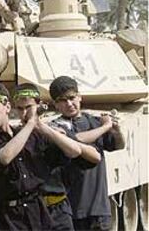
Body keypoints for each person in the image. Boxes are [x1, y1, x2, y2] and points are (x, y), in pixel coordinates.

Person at [0, 82, 84, 230]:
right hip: (8, 218)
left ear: (7, 107)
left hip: (37, 213)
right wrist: (31, 123)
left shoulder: (29, 134)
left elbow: (74, 151)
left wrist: (44, 128)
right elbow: (5, 157)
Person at [13, 83, 101, 230]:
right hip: (30, 210)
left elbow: (86, 154)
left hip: (56, 208)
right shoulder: (13, 137)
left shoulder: (52, 133)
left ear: (38, 106)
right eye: (20, 109)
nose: (25, 113)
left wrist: (43, 128)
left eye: (29, 107)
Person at [49, 76, 125, 231]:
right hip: (71, 209)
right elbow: (76, 139)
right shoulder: (55, 127)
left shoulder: (93, 121)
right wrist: (105, 127)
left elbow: (118, 145)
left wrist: (116, 130)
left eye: (72, 98)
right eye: (63, 100)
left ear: (79, 96)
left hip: (98, 208)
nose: (69, 104)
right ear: (56, 104)